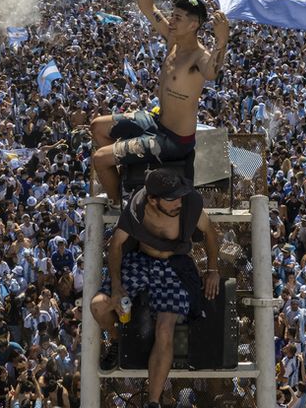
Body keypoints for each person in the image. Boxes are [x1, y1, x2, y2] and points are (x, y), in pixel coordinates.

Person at [89, 0, 230, 205]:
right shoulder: (172, 39)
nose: (171, 20)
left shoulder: (200, 57)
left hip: (175, 139)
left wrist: (222, 40)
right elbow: (147, 6)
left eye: (177, 17)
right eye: (172, 16)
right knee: (98, 126)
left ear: (194, 25)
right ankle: (122, 180)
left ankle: (117, 204)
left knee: (100, 159)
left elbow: (212, 72)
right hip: (156, 121)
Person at [90, 169, 221, 408]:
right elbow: (116, 245)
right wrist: (117, 288)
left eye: (179, 196)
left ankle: (152, 402)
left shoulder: (190, 204)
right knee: (99, 306)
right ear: (153, 199)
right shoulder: (137, 207)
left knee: (165, 328)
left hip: (175, 264)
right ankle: (116, 340)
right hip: (141, 260)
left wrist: (212, 270)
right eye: (172, 199)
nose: (178, 202)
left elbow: (211, 233)